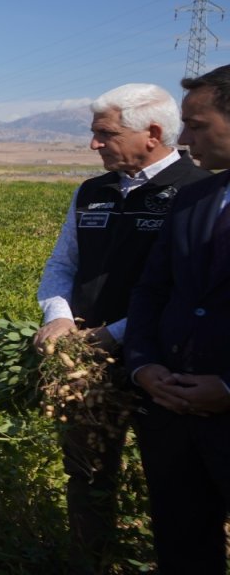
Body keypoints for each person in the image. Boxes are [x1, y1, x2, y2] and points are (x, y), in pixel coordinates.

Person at [31, 83, 206, 572]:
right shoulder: (93, 191)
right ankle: (90, 560)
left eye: (104, 134)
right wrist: (59, 316)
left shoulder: (195, 190)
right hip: (84, 356)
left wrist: (117, 335)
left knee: (174, 477)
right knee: (87, 470)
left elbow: (184, 289)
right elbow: (62, 263)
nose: (94, 145)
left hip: (166, 361)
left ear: (151, 133)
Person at [125, 64, 230, 573]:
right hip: (173, 413)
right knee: (184, 546)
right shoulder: (195, 197)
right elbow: (153, 291)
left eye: (197, 123)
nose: (184, 139)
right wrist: (143, 365)